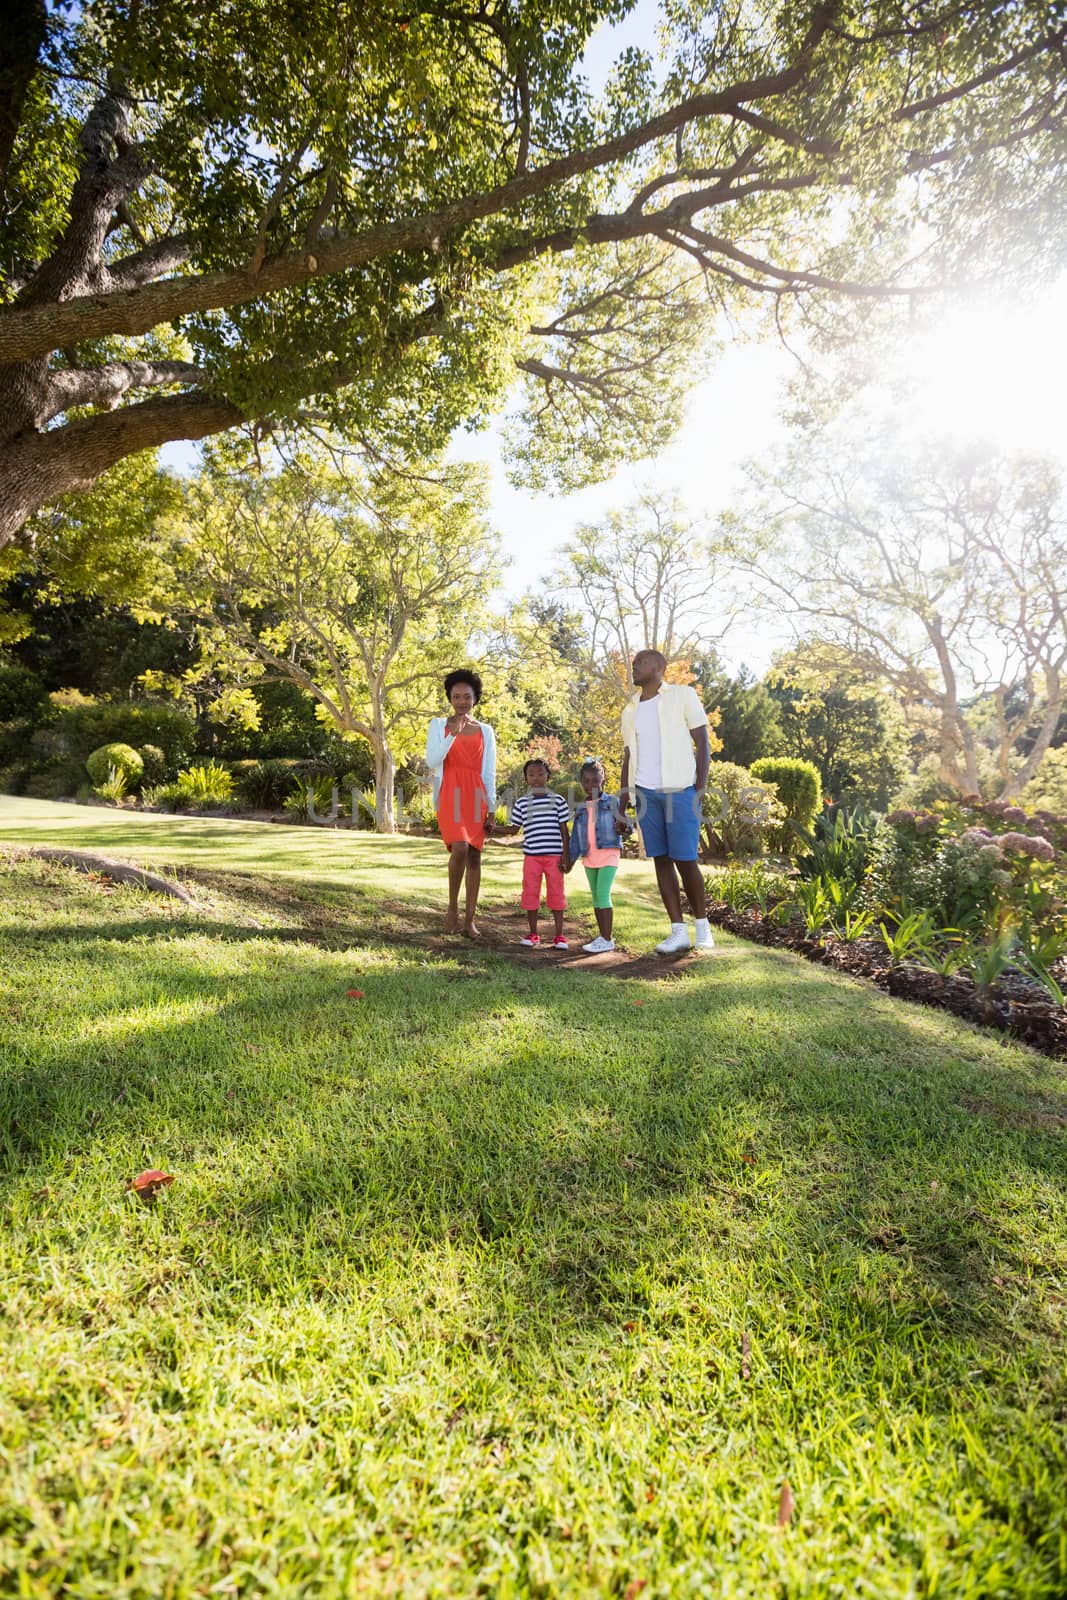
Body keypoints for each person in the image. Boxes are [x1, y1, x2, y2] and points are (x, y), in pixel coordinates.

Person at [619, 649, 715, 955]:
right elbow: (627, 756)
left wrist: (698, 788)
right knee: (660, 859)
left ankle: (702, 928)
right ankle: (677, 932)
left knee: (686, 860)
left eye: (640, 663)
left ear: (659, 667)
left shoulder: (683, 695)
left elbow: (702, 741)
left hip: (680, 790)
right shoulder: (630, 709)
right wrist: (623, 802)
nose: (634, 667)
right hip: (645, 794)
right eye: (633, 664)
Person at [425, 667, 496, 937]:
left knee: (475, 856)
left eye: (467, 696)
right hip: (450, 792)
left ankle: (470, 920)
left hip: (476, 794)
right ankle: (451, 910)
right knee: (460, 848)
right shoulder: (438, 726)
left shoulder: (485, 731)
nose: (462, 702)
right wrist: (453, 733)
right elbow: (432, 761)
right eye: (457, 696)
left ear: (474, 698)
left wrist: (491, 808)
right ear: (450, 698)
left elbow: (489, 771)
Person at [496, 757, 571, 948]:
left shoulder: (558, 801)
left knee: (556, 893)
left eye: (540, 774)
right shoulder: (522, 803)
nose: (536, 778)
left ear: (548, 776)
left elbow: (564, 831)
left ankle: (560, 936)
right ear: (526, 779)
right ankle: (533, 934)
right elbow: (514, 829)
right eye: (531, 775)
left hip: (554, 857)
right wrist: (493, 828)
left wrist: (566, 855)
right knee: (530, 892)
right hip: (532, 857)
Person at [566, 758, 631, 953]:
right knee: (595, 897)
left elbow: (628, 827)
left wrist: (624, 828)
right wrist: (569, 860)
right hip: (589, 856)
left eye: (594, 780)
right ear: (581, 782)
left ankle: (607, 938)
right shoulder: (580, 809)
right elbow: (576, 840)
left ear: (603, 779)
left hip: (609, 854)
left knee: (603, 894)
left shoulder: (613, 802)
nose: (590, 785)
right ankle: (602, 937)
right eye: (586, 781)